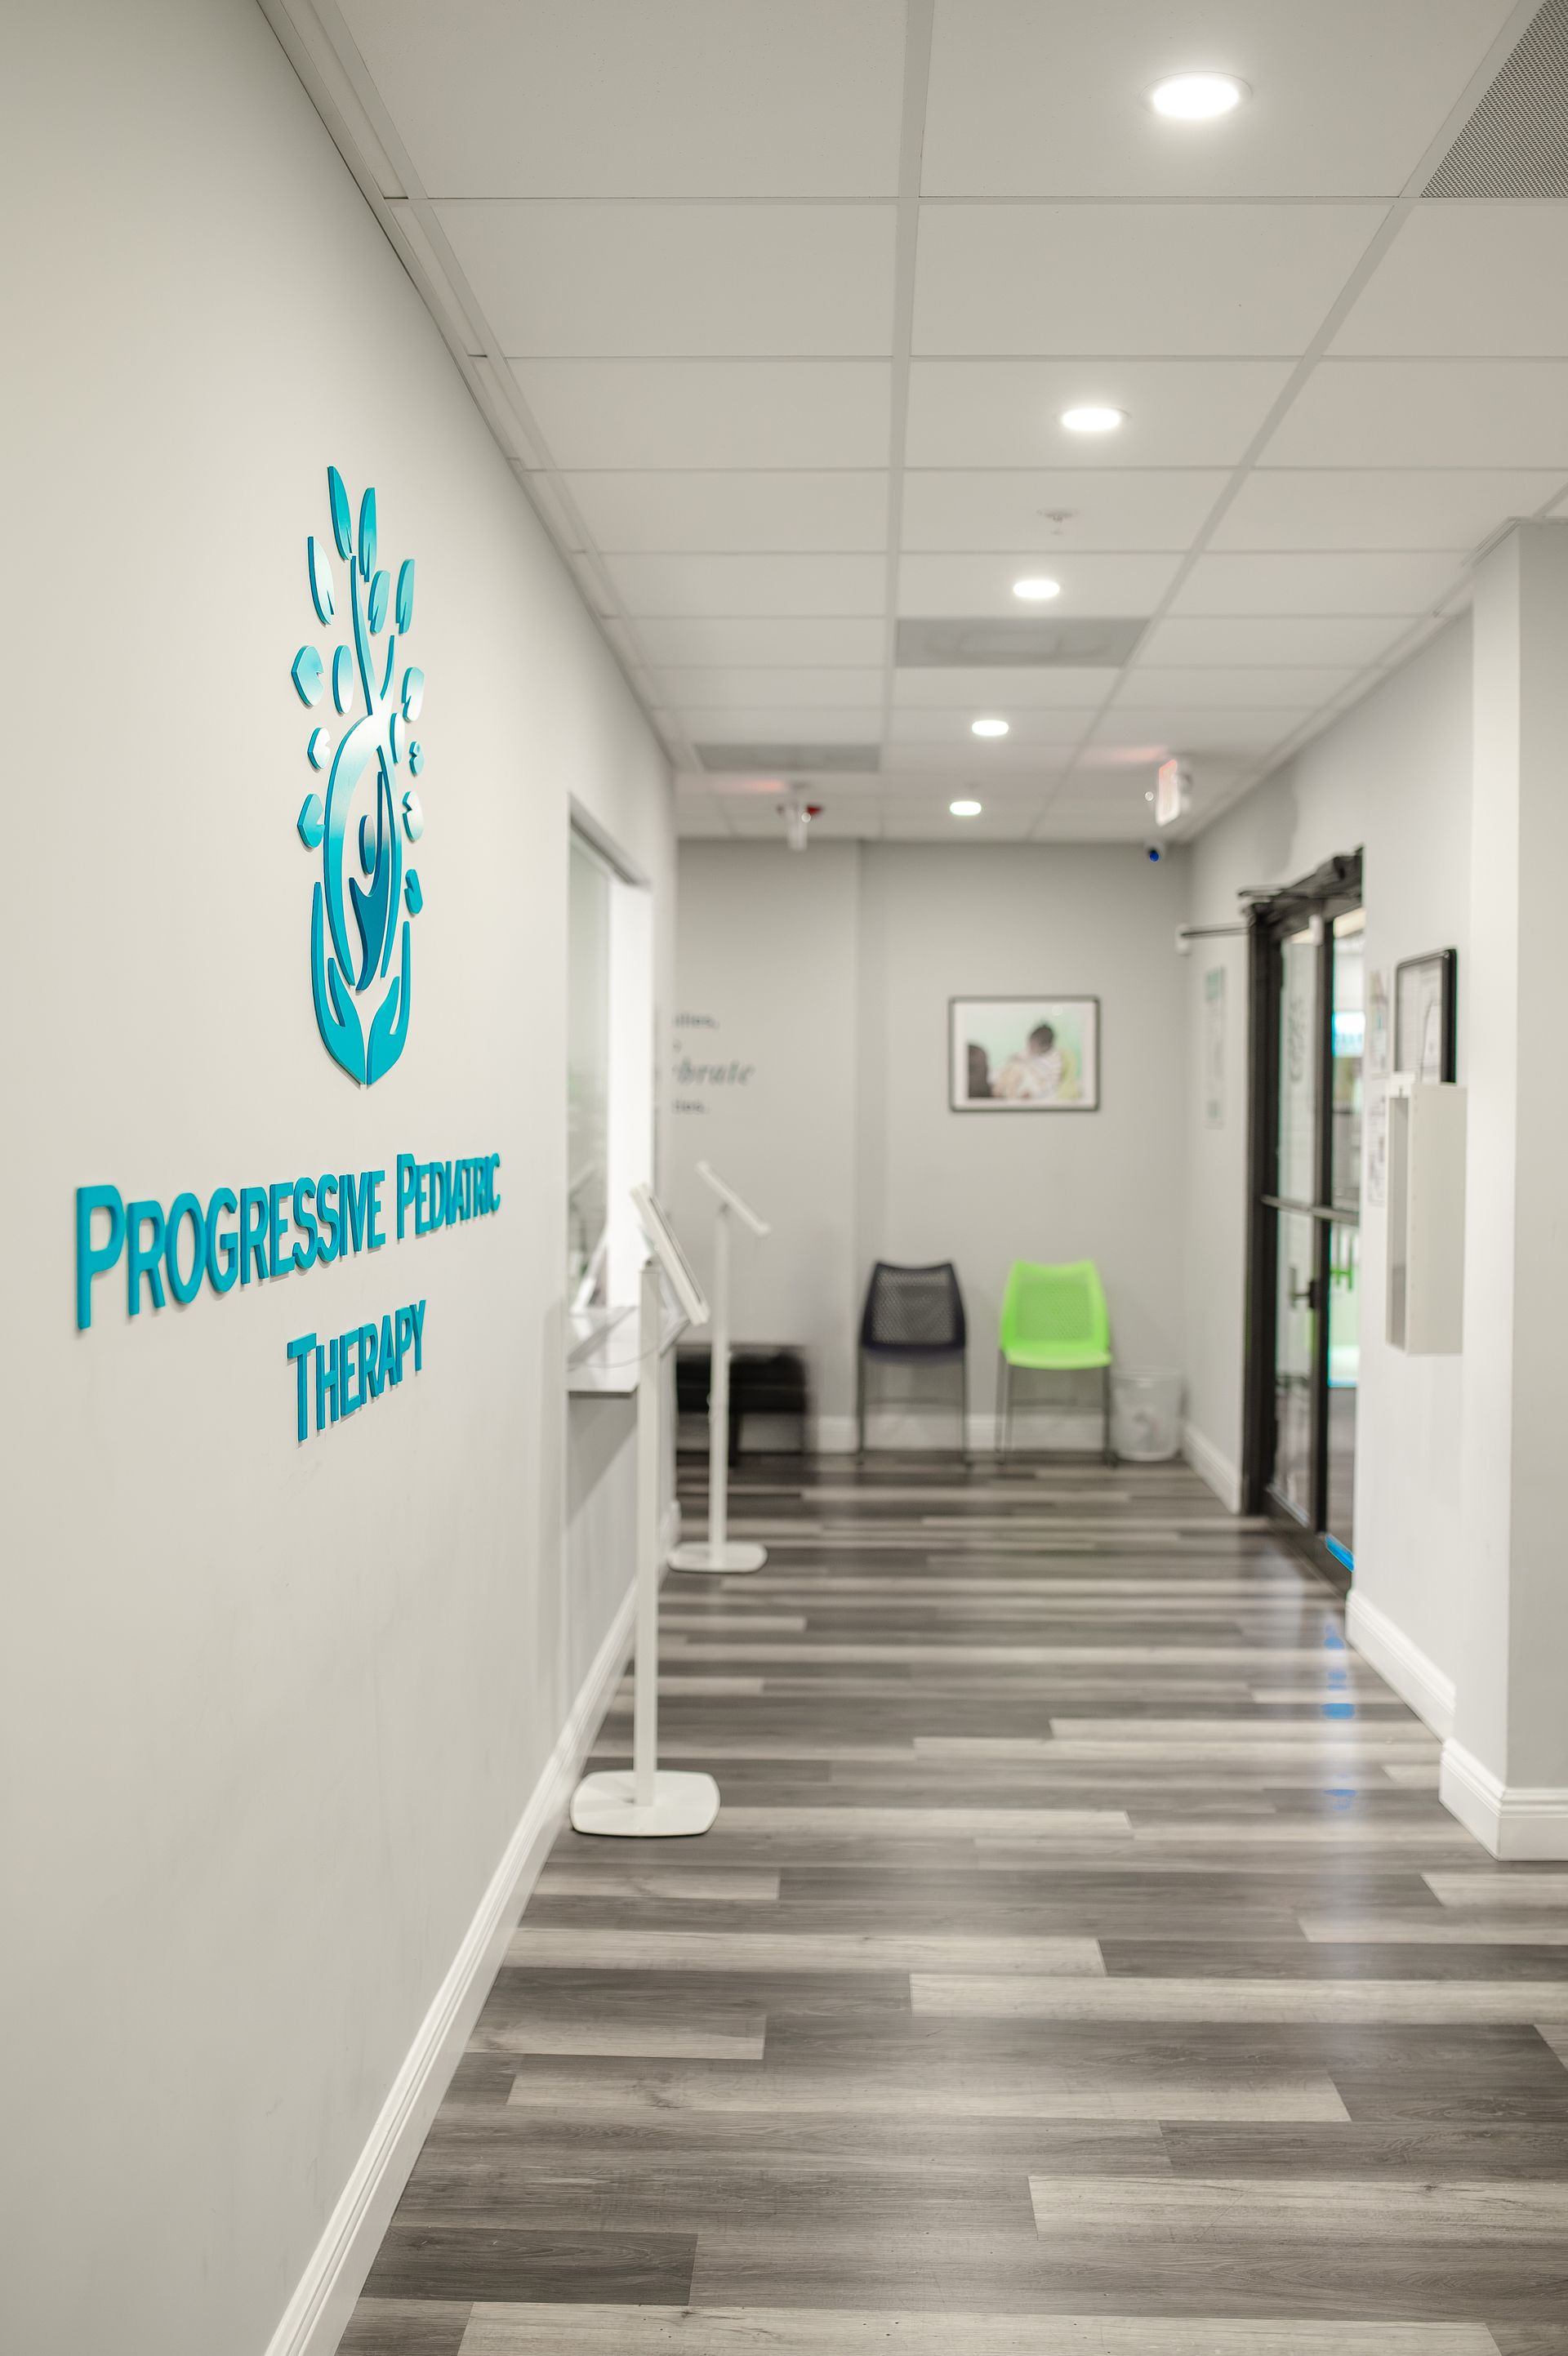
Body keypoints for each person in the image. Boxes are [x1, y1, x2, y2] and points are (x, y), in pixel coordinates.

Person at [991, 1020, 1080, 1103]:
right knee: (1010, 1068)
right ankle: (998, 1090)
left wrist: (1033, 1092)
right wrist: (1014, 1058)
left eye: (1032, 1046)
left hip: (1036, 1083)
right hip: (1024, 1077)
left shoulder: (1054, 1061)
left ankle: (1011, 1096)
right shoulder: (1032, 1052)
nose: (1029, 1048)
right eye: (1029, 1044)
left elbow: (1052, 1083)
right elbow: (1020, 1057)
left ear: (1044, 1047)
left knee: (1016, 1069)